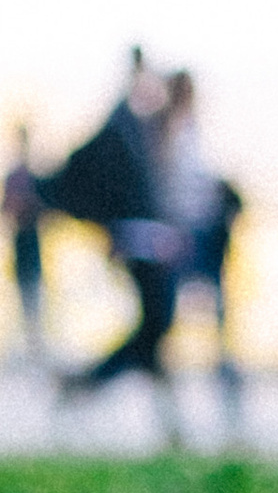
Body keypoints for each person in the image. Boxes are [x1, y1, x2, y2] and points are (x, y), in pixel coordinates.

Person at [43, 51, 185, 442]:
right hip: (141, 243)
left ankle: (165, 421)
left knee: (154, 332)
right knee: (155, 327)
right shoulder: (124, 127)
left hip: (147, 241)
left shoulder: (140, 126)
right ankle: (87, 384)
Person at [157, 70, 247, 428]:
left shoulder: (186, 131)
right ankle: (175, 406)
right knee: (175, 320)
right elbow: (174, 189)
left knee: (212, 318)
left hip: (202, 232)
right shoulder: (170, 134)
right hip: (186, 235)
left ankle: (220, 390)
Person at [3, 131, 43, 363]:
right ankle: (28, 344)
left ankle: (35, 344)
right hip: (21, 241)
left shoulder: (36, 177)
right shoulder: (14, 177)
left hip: (32, 241)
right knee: (24, 289)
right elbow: (8, 209)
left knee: (35, 290)